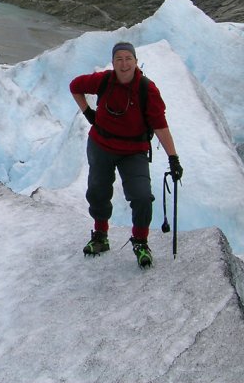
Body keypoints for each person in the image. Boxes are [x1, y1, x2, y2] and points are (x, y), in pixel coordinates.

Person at [69, 41, 183, 268]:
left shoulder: (146, 90)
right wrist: (89, 113)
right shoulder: (103, 81)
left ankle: (140, 242)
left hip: (133, 151)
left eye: (128, 58)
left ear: (135, 61)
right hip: (101, 145)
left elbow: (160, 125)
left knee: (141, 196)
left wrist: (173, 158)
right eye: (119, 59)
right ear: (113, 63)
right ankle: (101, 236)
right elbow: (75, 86)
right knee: (98, 191)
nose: (124, 64)